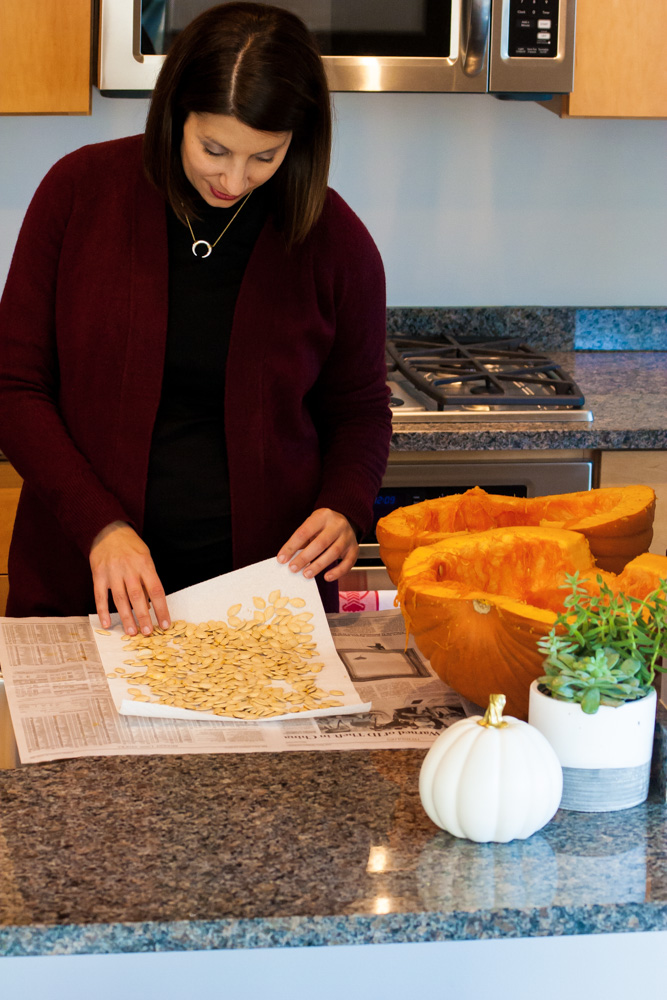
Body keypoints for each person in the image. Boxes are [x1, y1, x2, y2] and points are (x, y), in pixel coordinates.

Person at [0, 3, 391, 636]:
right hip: (87, 581)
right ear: (176, 112)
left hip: (259, 600)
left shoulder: (335, 242)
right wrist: (102, 526)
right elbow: (13, 386)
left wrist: (345, 504)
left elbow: (362, 409)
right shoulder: (78, 194)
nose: (234, 180)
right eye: (214, 149)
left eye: (265, 157)